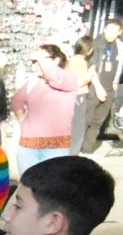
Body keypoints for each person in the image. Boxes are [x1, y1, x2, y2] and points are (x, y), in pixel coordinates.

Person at [12, 44, 80, 175]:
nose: (36, 64)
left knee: (50, 189)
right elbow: (16, 100)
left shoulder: (68, 78)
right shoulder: (33, 81)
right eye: (34, 62)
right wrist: (22, 118)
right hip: (28, 146)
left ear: (56, 60)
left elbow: (55, 78)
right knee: (27, 186)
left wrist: (40, 58)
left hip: (56, 148)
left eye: (41, 60)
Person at [83, 19, 123, 152]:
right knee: (86, 119)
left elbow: (119, 66)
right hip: (94, 87)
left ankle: (87, 148)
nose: (111, 33)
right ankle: (76, 147)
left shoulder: (121, 46)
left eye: (115, 30)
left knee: (98, 121)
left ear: (120, 32)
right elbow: (91, 68)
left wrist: (115, 81)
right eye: (109, 29)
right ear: (104, 29)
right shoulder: (95, 44)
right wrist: (98, 87)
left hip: (109, 88)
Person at [66, 37, 105, 157]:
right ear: (90, 50)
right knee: (78, 128)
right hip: (78, 96)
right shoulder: (80, 62)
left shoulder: (71, 60)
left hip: (72, 97)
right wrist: (90, 74)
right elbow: (79, 81)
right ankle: (73, 154)